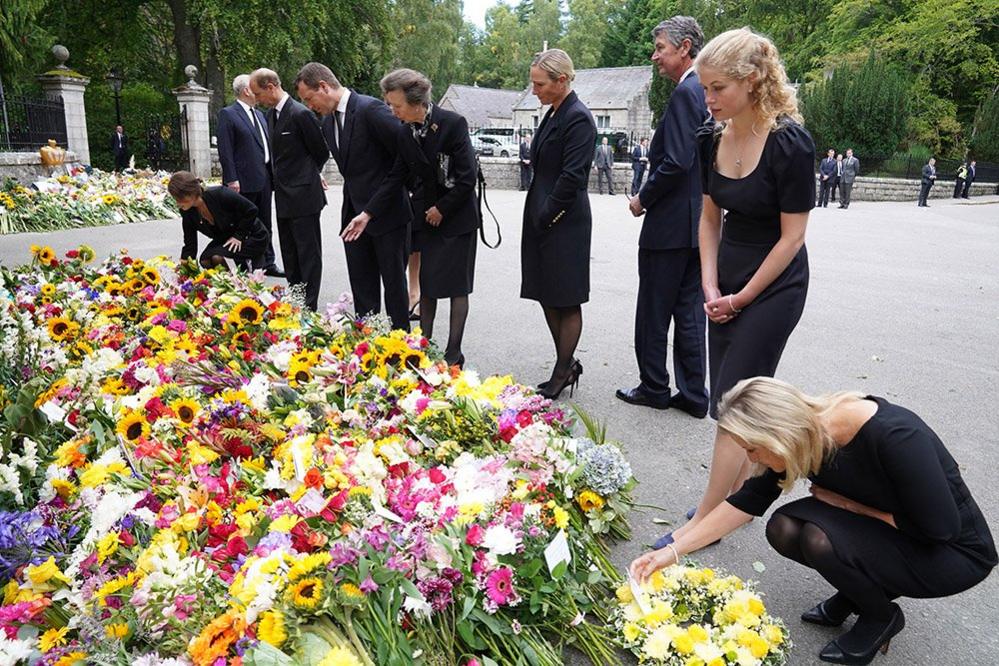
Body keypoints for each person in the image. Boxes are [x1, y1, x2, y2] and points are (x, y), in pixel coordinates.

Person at [631, 377, 996, 666]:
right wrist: (674, 551)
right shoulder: (804, 436)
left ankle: (879, 616)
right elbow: (747, 501)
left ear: (777, 434)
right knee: (785, 527)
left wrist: (850, 507)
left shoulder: (895, 436)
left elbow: (940, 530)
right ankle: (858, 591)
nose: (751, 458)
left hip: (951, 553)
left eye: (752, 448)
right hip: (898, 532)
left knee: (820, 537)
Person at [653, 27, 814, 548]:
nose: (708, 99)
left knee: (733, 404)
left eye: (718, 88)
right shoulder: (709, 137)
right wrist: (708, 280)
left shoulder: (789, 142)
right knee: (728, 393)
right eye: (704, 88)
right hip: (723, 279)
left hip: (774, 283)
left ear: (753, 80)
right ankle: (737, 493)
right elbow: (708, 218)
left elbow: (793, 238)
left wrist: (742, 297)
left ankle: (702, 524)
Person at [617, 16, 710, 418]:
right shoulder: (703, 90)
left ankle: (654, 386)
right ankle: (693, 395)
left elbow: (674, 162)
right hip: (694, 227)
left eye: (660, 48)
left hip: (670, 224)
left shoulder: (686, 93)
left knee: (654, 310)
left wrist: (643, 199)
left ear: (685, 46)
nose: (655, 56)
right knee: (689, 313)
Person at [367, 68, 479, 367]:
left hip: (456, 218)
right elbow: (396, 177)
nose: (392, 111)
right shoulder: (406, 131)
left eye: (396, 105)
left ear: (416, 102)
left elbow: (467, 178)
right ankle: (425, 346)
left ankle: (454, 354)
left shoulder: (452, 124)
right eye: (389, 105)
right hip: (426, 219)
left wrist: (442, 208)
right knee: (428, 285)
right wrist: (367, 213)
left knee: (456, 287)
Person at [295, 62, 412, 330]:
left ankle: (403, 347)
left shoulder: (371, 110)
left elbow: (405, 157)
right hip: (353, 216)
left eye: (309, 98)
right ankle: (368, 344)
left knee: (394, 287)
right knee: (362, 286)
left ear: (323, 87)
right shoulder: (327, 123)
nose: (309, 105)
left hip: (387, 214)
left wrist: (373, 208)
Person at [521, 49, 597, 399]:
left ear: (561, 80)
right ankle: (565, 363)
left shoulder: (578, 117)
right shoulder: (553, 113)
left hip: (564, 219)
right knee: (545, 291)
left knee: (565, 296)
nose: (533, 89)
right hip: (542, 214)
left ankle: (563, 368)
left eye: (539, 83)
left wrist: (548, 213)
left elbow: (573, 176)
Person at [249, 68, 329, 311]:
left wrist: (305, 176)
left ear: (271, 86)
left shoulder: (300, 113)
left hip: (304, 196)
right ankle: (297, 297)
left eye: (258, 93)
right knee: (290, 253)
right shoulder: (271, 115)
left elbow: (320, 152)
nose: (256, 99)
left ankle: (309, 305)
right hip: (283, 196)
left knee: (308, 254)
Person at [216, 74, 283, 277]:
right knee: (243, 223)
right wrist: (231, 179)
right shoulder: (229, 114)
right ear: (246, 90)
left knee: (265, 222)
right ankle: (243, 263)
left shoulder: (261, 115)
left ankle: (267, 262)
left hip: (264, 178)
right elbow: (225, 149)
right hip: (242, 181)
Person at [169, 171, 271, 271]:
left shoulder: (219, 194)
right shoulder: (187, 211)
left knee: (217, 258)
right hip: (226, 238)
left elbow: (251, 210)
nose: (177, 203)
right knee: (205, 260)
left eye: (179, 198)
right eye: (175, 198)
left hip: (251, 235)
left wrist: (239, 236)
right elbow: (190, 241)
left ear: (190, 193)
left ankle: (248, 264)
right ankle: (237, 267)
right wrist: (185, 265)